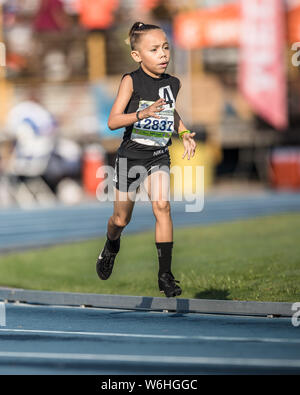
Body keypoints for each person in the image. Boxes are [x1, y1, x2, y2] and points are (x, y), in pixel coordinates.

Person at [96, 22, 196, 297]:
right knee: (120, 219)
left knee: (162, 206)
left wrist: (184, 132)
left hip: (158, 155)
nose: (163, 54)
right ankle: (111, 244)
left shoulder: (173, 83)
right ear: (137, 56)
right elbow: (113, 121)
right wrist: (143, 113)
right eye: (154, 49)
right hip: (131, 157)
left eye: (165, 47)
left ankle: (165, 275)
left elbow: (171, 113)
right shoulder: (131, 80)